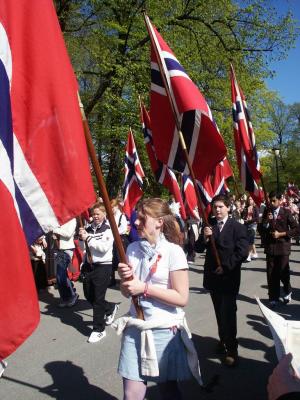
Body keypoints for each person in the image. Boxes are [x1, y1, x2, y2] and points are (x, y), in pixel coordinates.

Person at [116, 198, 201, 400]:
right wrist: (124, 283)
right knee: (131, 395)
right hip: (136, 327)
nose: (136, 222)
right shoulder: (132, 249)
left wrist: (144, 288)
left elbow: (181, 298)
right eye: (136, 218)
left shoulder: (174, 252)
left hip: (164, 330)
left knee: (168, 391)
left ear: (159, 222)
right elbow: (127, 292)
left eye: (142, 218)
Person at [195, 194, 248, 367]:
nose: (217, 210)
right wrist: (204, 236)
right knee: (218, 311)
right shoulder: (209, 224)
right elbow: (198, 247)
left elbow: (242, 252)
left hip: (229, 277)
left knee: (228, 312)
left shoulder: (237, 227)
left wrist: (225, 267)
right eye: (215, 207)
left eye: (220, 207)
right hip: (213, 277)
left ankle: (232, 348)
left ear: (228, 207)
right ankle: (223, 339)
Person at [79, 202, 119, 343]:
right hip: (90, 266)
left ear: (104, 214)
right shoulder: (88, 228)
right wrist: (81, 238)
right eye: (93, 214)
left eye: (98, 213)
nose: (95, 216)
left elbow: (103, 248)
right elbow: (84, 248)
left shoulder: (108, 229)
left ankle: (99, 329)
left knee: (97, 297)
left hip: (103, 266)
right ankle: (110, 308)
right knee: (89, 295)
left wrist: (88, 238)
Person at [261, 191, 299, 307]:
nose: (272, 203)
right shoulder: (267, 212)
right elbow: (261, 229)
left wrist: (281, 234)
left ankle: (287, 291)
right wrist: (266, 222)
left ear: (280, 200)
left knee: (283, 271)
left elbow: (296, 229)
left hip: (283, 247)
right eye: (270, 201)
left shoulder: (286, 212)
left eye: (274, 200)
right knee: (271, 273)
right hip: (271, 247)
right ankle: (273, 297)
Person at [53, 218, 78, 308]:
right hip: (58, 249)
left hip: (66, 249)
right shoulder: (58, 220)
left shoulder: (72, 219)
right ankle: (65, 298)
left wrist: (55, 229)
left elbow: (68, 234)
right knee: (61, 275)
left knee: (61, 275)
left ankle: (72, 295)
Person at [110, 198, 130, 286]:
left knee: (120, 260)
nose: (112, 209)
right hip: (111, 239)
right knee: (111, 259)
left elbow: (124, 229)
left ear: (117, 206)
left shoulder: (122, 216)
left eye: (113, 207)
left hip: (120, 239)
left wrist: (114, 231)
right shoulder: (110, 217)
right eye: (111, 207)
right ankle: (112, 279)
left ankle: (125, 279)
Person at [242, 196, 259, 262]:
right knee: (249, 240)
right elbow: (243, 215)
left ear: (253, 200)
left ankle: (248, 255)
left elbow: (257, 218)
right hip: (246, 225)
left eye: (251, 199)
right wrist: (242, 212)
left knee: (250, 239)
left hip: (253, 225)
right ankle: (254, 253)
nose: (249, 200)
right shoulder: (246, 207)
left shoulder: (255, 208)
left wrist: (250, 220)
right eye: (248, 199)